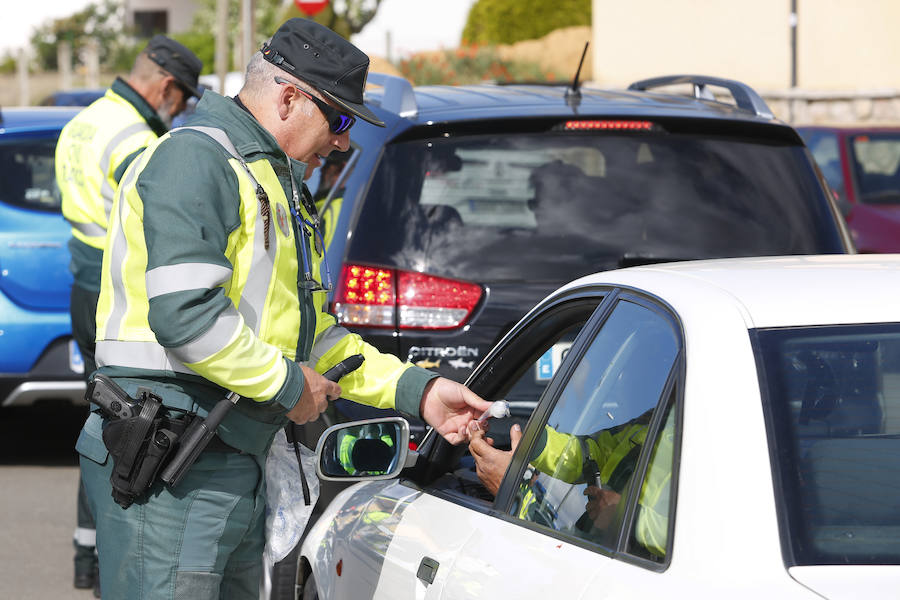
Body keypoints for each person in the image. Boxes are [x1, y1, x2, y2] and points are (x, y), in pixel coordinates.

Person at [75, 18, 490, 599]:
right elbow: (187, 316)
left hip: (222, 457)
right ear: (290, 96)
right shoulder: (197, 161)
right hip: (171, 464)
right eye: (339, 119)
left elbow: (313, 337)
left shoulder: (271, 180)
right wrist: (290, 388)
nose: (343, 141)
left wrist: (417, 392)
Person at [55, 34, 202, 592]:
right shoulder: (135, 140)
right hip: (114, 292)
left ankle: (86, 554)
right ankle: (115, 553)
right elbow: (152, 227)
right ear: (166, 87)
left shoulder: (85, 120)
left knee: (100, 416)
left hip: (81, 285)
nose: (182, 108)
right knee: (129, 424)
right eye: (184, 98)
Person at [467, 410, 672, 556]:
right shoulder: (658, 419)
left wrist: (629, 518)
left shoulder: (698, 436)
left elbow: (695, 544)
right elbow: (593, 452)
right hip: (594, 542)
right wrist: (536, 445)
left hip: (634, 566)